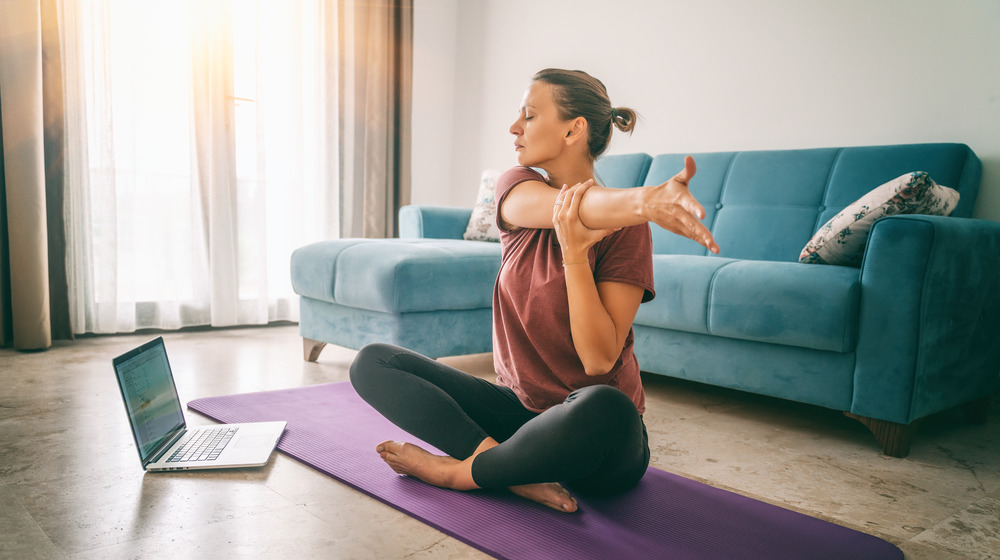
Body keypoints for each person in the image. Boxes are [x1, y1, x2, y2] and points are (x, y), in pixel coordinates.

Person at [349, 68, 719, 513]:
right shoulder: (516, 186)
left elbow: (599, 359)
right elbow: (573, 207)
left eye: (528, 115)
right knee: (374, 361)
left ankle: (460, 473)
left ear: (573, 129)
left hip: (593, 437)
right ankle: (501, 466)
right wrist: (644, 201)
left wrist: (577, 257)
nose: (514, 127)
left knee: (607, 405)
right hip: (518, 415)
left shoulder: (627, 233)